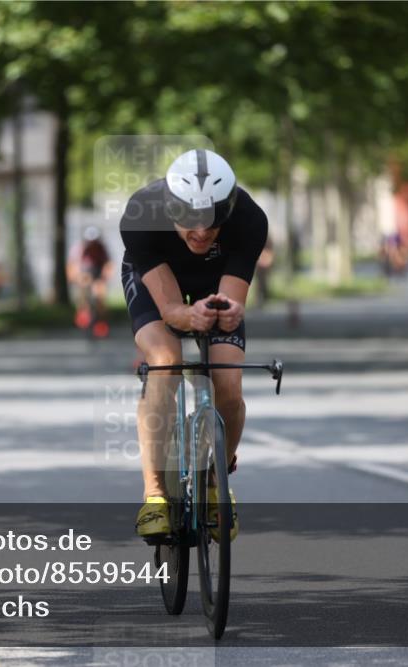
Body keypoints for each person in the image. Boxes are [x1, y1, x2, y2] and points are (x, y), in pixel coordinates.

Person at [119, 149, 267, 539]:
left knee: (228, 383)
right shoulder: (141, 215)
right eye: (188, 221)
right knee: (165, 361)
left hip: (214, 281)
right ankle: (153, 496)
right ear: (170, 209)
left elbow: (233, 297)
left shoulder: (250, 219)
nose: (200, 232)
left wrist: (229, 313)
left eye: (212, 223)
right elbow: (169, 309)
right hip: (157, 281)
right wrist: (186, 315)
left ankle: (218, 483)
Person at [68, 226, 112, 338]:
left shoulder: (101, 248)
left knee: (99, 296)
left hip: (98, 274)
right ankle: (83, 314)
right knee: (83, 293)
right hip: (84, 273)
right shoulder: (78, 249)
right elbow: (73, 266)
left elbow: (108, 265)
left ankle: (101, 322)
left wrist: (104, 277)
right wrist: (78, 278)